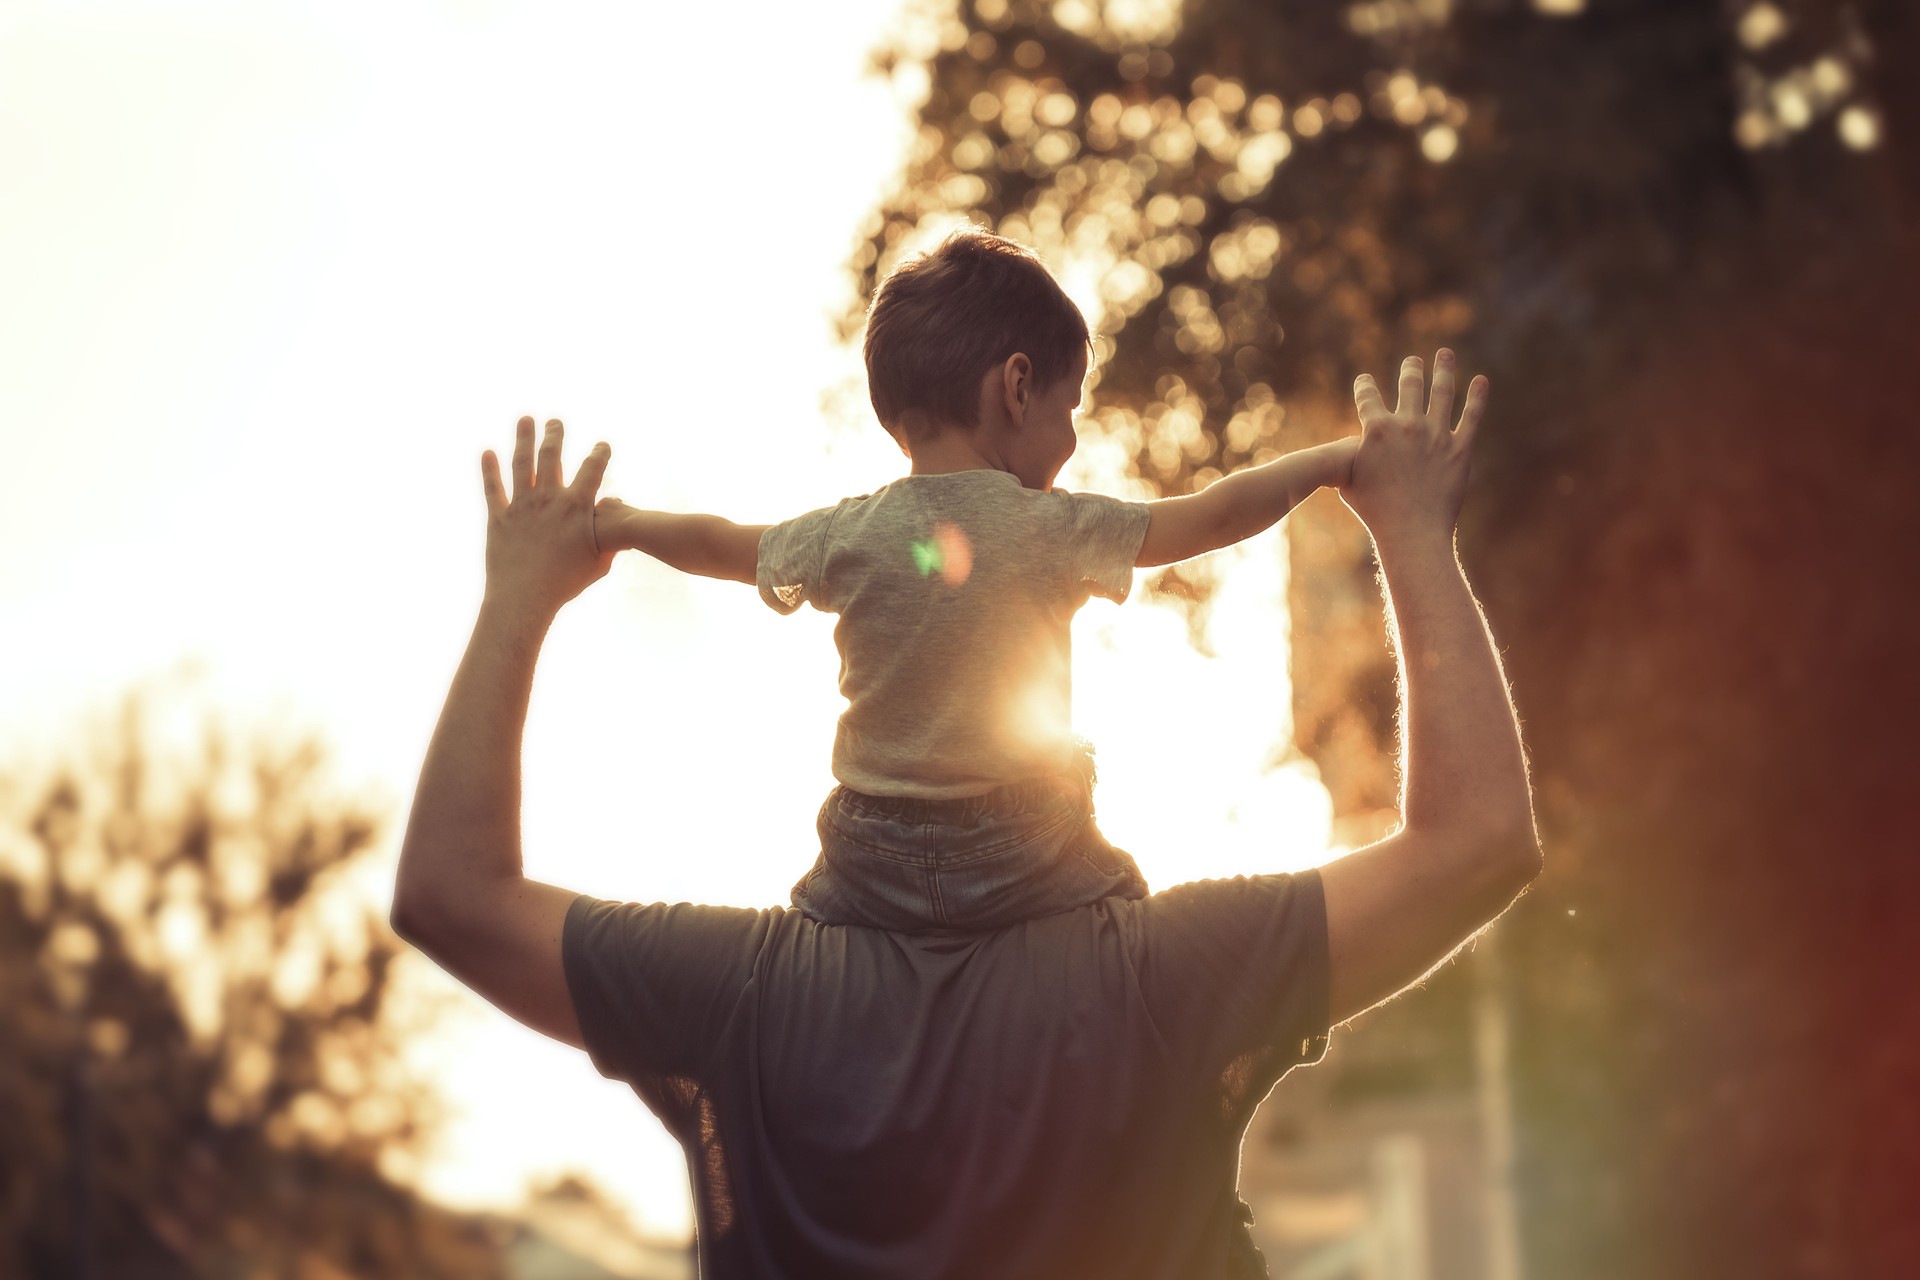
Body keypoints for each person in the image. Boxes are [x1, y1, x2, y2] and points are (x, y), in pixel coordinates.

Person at [390, 348, 1542, 1278]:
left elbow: (449, 894)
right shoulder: (1166, 980)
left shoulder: (736, 997)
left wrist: (521, 597)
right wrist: (1405, 526)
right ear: (1016, 384)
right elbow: (1479, 840)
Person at [591, 230, 1358, 933]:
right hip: (1024, 847)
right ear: (1018, 388)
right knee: (1126, 907)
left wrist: (622, 525)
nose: (1074, 431)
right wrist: (1326, 465)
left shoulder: (846, 534)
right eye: (1073, 405)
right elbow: (1214, 517)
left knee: (806, 928)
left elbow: (719, 544)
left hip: (868, 855)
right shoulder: (1053, 525)